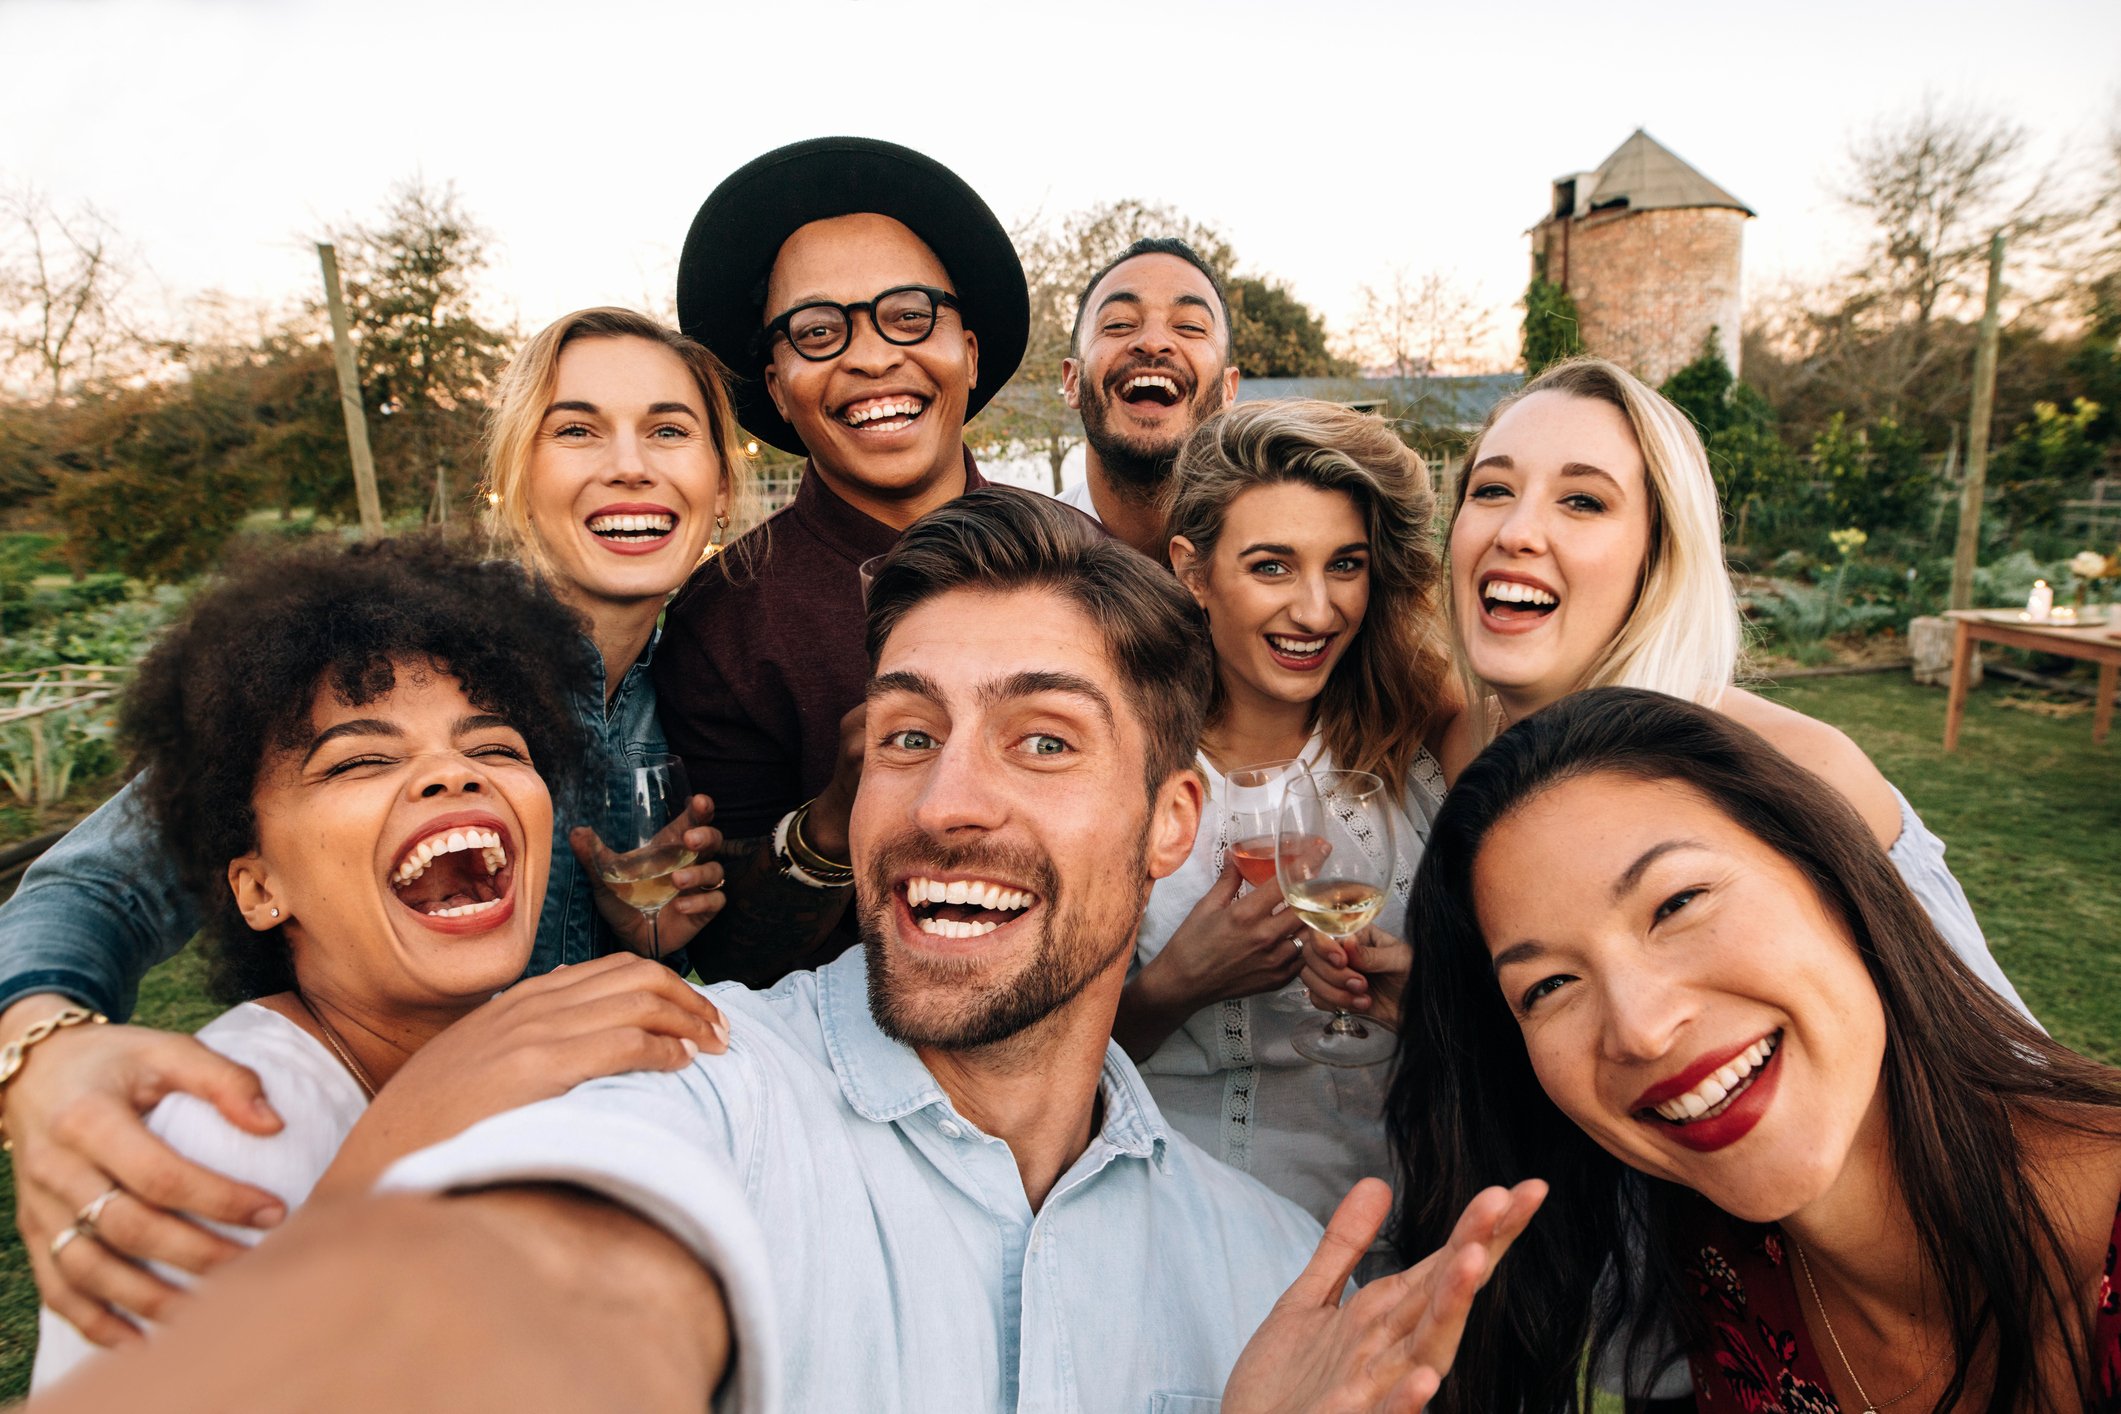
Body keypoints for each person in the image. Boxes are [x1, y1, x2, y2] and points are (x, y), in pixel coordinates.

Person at [35, 489, 1548, 1414]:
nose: (947, 801)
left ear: (1172, 823)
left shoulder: (1277, 1279)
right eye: (906, 735)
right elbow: (558, 1275)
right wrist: (35, 1035)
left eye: (1042, 739)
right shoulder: (679, 1088)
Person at [0, 307, 746, 1347]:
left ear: (720, 481)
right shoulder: (395, 660)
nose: (630, 463)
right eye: (577, 429)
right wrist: (40, 1047)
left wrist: (642, 935)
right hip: (351, 1153)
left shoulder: (697, 695)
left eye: (668, 429)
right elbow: (98, 884)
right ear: (514, 473)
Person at [1385, 687, 2121, 1412]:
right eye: (1548, 986)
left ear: (1834, 876)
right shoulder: (1717, 1278)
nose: (1639, 1030)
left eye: (1677, 904)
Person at [1301, 355, 2032, 1027]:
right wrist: (1437, 1009)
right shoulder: (1463, 748)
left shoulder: (1797, 771)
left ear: (1657, 552)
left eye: (1582, 501)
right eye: (1492, 490)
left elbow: (1997, 1067)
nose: (1517, 531)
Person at [656, 135, 1031, 987]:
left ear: (969, 352)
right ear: (776, 385)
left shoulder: (1088, 566)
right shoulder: (723, 619)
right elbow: (723, 954)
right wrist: (830, 819)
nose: (869, 356)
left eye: (909, 315)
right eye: (818, 331)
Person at [1112, 400, 1455, 1231]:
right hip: (1174, 1228)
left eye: (1345, 565)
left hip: (1394, 1226)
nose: (1316, 610)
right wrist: (1174, 988)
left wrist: (1424, 1007)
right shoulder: (1121, 771)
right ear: (1193, 571)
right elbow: (1017, 1062)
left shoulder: (1422, 748)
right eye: (1271, 567)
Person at [1055, 236, 1241, 557]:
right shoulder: (1016, 564)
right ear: (1072, 382)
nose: (1152, 342)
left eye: (1190, 326)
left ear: (1228, 389)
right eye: (1119, 323)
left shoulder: (1278, 555)